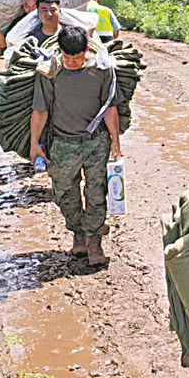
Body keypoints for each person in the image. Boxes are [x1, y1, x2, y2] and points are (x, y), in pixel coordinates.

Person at [28, 25, 121, 266]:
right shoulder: (50, 71)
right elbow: (40, 109)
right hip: (62, 143)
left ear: (86, 51)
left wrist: (115, 142)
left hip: (95, 142)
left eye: (78, 58)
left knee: (97, 192)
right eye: (67, 57)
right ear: (60, 52)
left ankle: (93, 240)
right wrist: (34, 143)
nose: (72, 62)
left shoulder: (102, 69)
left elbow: (110, 107)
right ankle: (78, 232)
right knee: (64, 193)